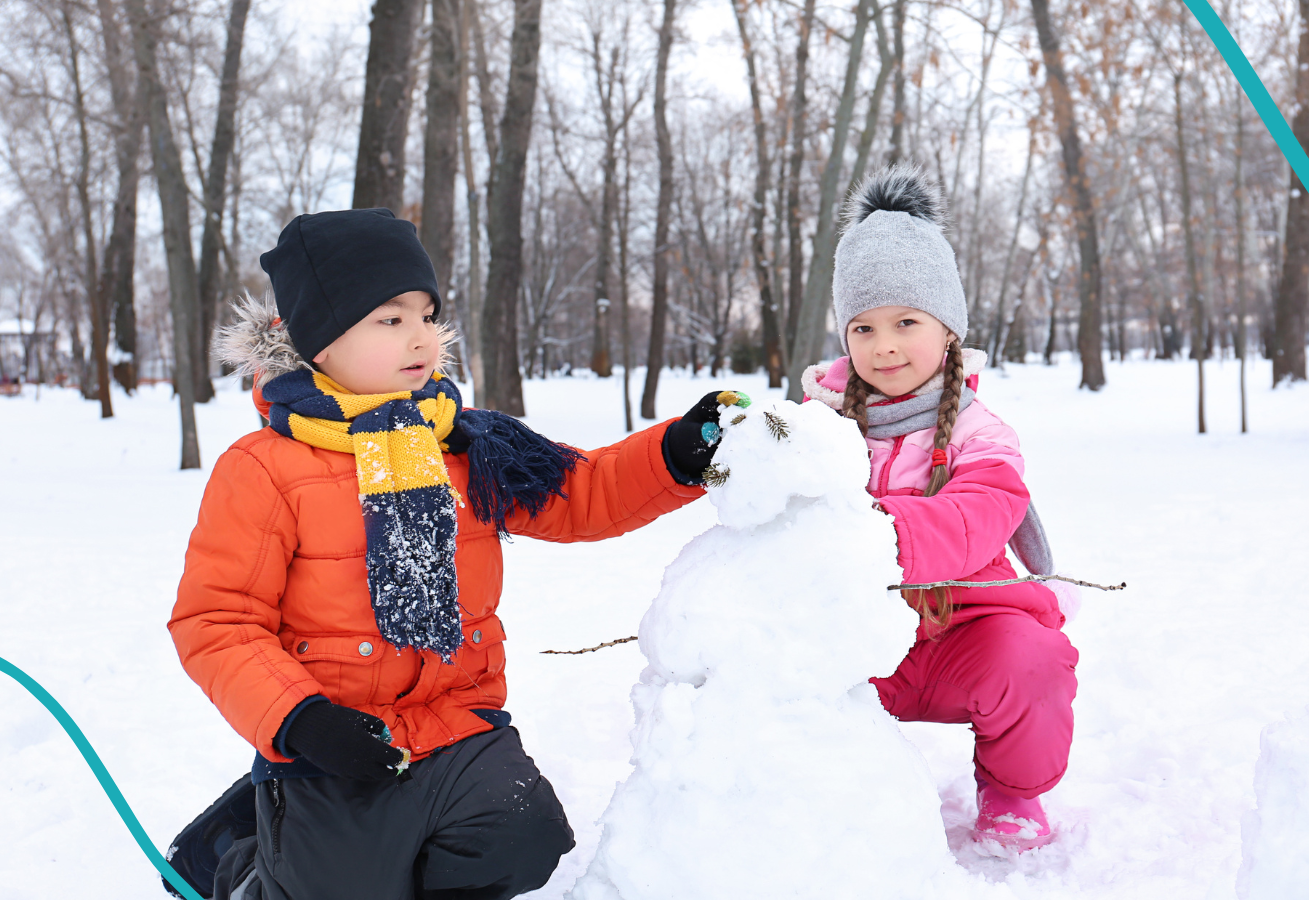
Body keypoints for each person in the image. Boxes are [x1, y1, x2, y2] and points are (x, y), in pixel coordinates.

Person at [165, 207, 729, 899]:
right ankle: (245, 861)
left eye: (427, 315)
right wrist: (301, 720)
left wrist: (674, 454)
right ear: (320, 342)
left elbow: (582, 493)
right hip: (336, 739)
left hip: (458, 723)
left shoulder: (465, 444)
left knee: (525, 838)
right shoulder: (264, 468)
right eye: (390, 318)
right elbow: (217, 622)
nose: (422, 337)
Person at [799, 166, 1080, 855]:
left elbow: (981, 512)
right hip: (863, 644)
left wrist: (878, 534)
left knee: (1033, 657)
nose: (885, 345)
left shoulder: (984, 434)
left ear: (947, 329)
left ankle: (1012, 793)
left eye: (906, 322)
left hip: (967, 635)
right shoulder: (816, 430)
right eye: (863, 327)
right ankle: (823, 790)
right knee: (777, 664)